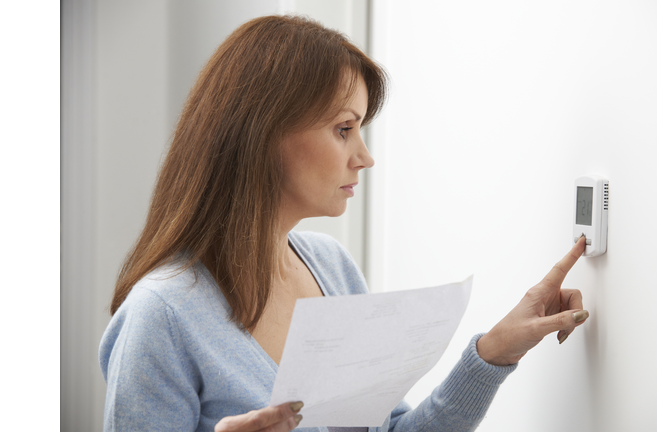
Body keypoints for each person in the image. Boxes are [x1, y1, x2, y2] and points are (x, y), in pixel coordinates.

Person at [99, 15, 589, 432]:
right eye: (344, 129)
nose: (365, 157)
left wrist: (494, 352)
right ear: (264, 132)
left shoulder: (332, 268)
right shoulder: (160, 316)